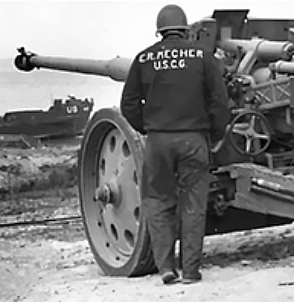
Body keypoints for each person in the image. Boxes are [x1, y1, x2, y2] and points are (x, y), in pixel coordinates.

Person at [119, 4, 230, 285]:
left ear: (160, 31)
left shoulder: (144, 59)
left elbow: (129, 104)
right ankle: (191, 272)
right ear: (185, 29)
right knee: (193, 206)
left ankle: (166, 268)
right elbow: (219, 102)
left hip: (159, 141)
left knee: (158, 203)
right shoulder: (203, 57)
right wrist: (216, 135)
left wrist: (148, 128)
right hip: (194, 140)